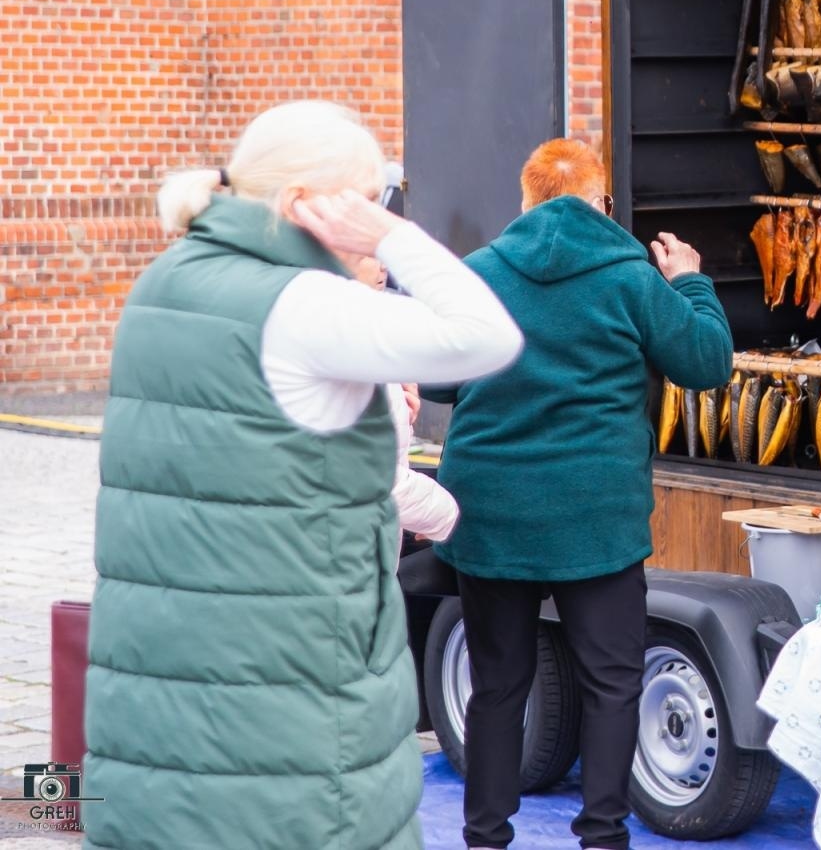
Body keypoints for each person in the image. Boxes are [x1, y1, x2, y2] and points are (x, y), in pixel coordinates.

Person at [83, 101, 522, 850]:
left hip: (161, 687)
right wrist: (398, 240)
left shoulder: (163, 283)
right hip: (290, 704)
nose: (374, 218)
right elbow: (488, 337)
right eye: (365, 201)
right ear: (301, 205)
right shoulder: (303, 303)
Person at [423, 138, 732, 850]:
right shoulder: (632, 279)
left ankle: (486, 838)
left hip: (491, 512)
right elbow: (707, 363)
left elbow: (435, 376)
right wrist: (689, 281)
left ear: (525, 203)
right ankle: (601, 838)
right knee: (612, 684)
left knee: (498, 687)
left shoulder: (479, 276)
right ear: (602, 204)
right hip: (596, 517)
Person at [343, 252, 461, 553]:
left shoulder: (371, 328)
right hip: (346, 551)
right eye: (368, 254)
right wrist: (441, 514)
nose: (383, 265)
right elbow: (366, 474)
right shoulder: (347, 339)